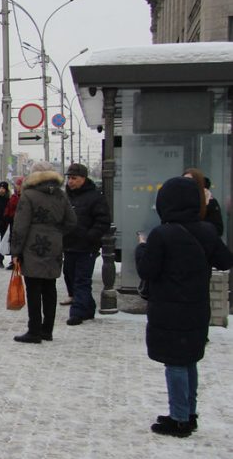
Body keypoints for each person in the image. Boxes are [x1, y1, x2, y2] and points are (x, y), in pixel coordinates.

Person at [135, 176, 232, 437]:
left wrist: (141, 248)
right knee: (189, 360)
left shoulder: (161, 234)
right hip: (197, 306)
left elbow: (147, 270)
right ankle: (188, 412)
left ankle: (178, 419)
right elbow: (225, 261)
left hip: (169, 308)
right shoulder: (207, 231)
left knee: (175, 363)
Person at [9, 161, 77, 344]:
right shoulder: (61, 196)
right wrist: (56, 233)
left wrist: (15, 250)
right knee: (50, 288)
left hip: (33, 246)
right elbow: (71, 222)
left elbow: (20, 226)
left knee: (33, 288)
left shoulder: (29, 195)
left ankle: (34, 331)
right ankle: (47, 330)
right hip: (54, 246)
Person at [62, 163, 111, 325]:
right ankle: (88, 308)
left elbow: (103, 221)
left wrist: (91, 237)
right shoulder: (66, 197)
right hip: (69, 245)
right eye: (69, 178)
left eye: (74, 178)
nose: (70, 182)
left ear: (83, 178)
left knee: (81, 280)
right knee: (70, 276)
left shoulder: (95, 197)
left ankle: (77, 313)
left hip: (86, 247)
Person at [4, 177, 23, 270]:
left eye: (19, 185)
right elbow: (9, 206)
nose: (17, 187)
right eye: (17, 185)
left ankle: (20, 260)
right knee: (12, 240)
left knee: (20, 240)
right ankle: (13, 260)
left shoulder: (25, 197)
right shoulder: (14, 196)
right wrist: (7, 215)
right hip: (12, 221)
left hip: (21, 222)